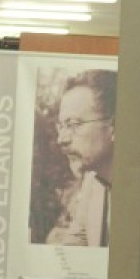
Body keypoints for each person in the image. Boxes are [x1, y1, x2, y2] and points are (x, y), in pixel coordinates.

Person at [53, 69, 116, 247]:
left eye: (73, 125)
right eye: (61, 127)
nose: (61, 140)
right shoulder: (93, 181)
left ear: (115, 127)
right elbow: (76, 242)